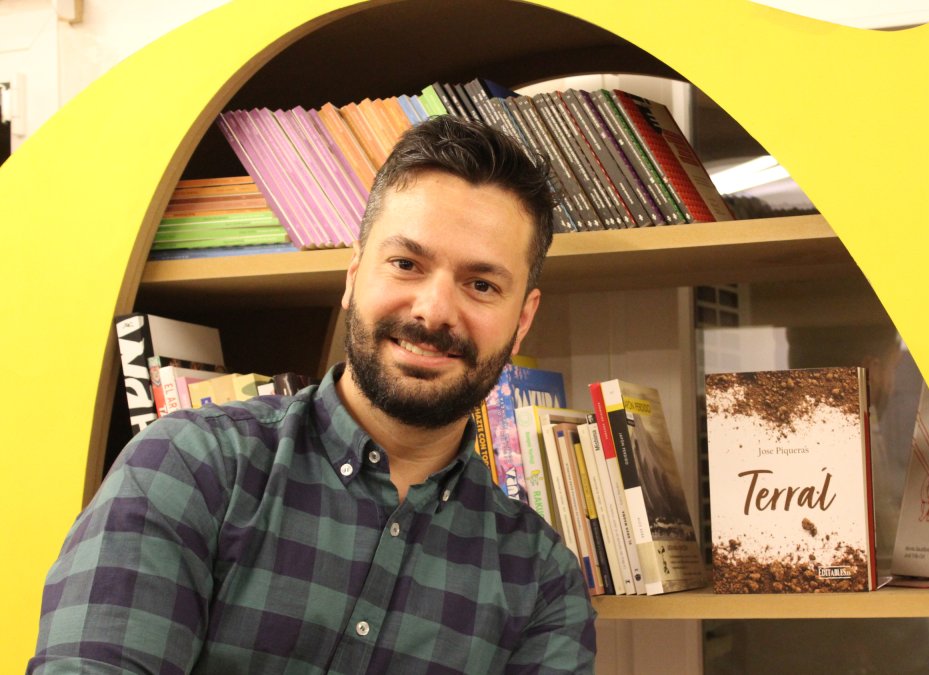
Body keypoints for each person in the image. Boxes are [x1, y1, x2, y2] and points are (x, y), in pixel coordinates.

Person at [29, 115, 596, 674]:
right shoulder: (188, 467)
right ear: (352, 277)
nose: (434, 311)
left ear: (522, 320)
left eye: (481, 285)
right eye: (405, 264)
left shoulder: (542, 582)